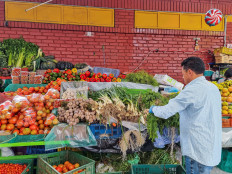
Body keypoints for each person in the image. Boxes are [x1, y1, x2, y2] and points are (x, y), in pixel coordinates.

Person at [149, 57, 222, 174]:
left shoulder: (192, 90)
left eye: (183, 74)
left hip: (197, 151)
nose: (183, 78)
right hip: (210, 148)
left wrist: (154, 109)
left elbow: (167, 111)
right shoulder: (213, 88)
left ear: (190, 72)